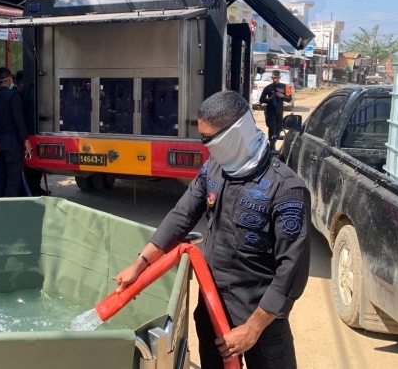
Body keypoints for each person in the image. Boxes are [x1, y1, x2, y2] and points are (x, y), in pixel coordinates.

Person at [114, 91, 310, 369]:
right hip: (212, 309)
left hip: (262, 323)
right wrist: (139, 264)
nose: (204, 145)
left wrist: (252, 329)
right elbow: (182, 215)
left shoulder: (286, 189)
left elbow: (292, 272)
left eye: (208, 139)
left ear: (234, 134)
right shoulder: (214, 169)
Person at [0, 67, 32, 197]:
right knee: (13, 179)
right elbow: (18, 119)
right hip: (12, 145)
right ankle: (10, 207)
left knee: (0, 177)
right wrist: (26, 141)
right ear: (9, 79)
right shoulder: (13, 95)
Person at [15, 70, 48, 196]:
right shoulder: (16, 96)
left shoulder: (29, 94)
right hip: (22, 136)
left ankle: (35, 187)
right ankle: (27, 190)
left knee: (36, 165)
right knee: (26, 167)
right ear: (20, 83)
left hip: (32, 133)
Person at [259, 69, 291, 150]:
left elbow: (289, 99)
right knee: (272, 128)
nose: (275, 79)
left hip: (279, 111)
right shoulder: (268, 88)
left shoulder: (285, 87)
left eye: (276, 78)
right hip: (270, 111)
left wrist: (282, 96)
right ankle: (272, 147)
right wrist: (268, 99)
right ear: (271, 78)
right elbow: (261, 100)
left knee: (279, 128)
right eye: (273, 78)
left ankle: (273, 144)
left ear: (279, 78)